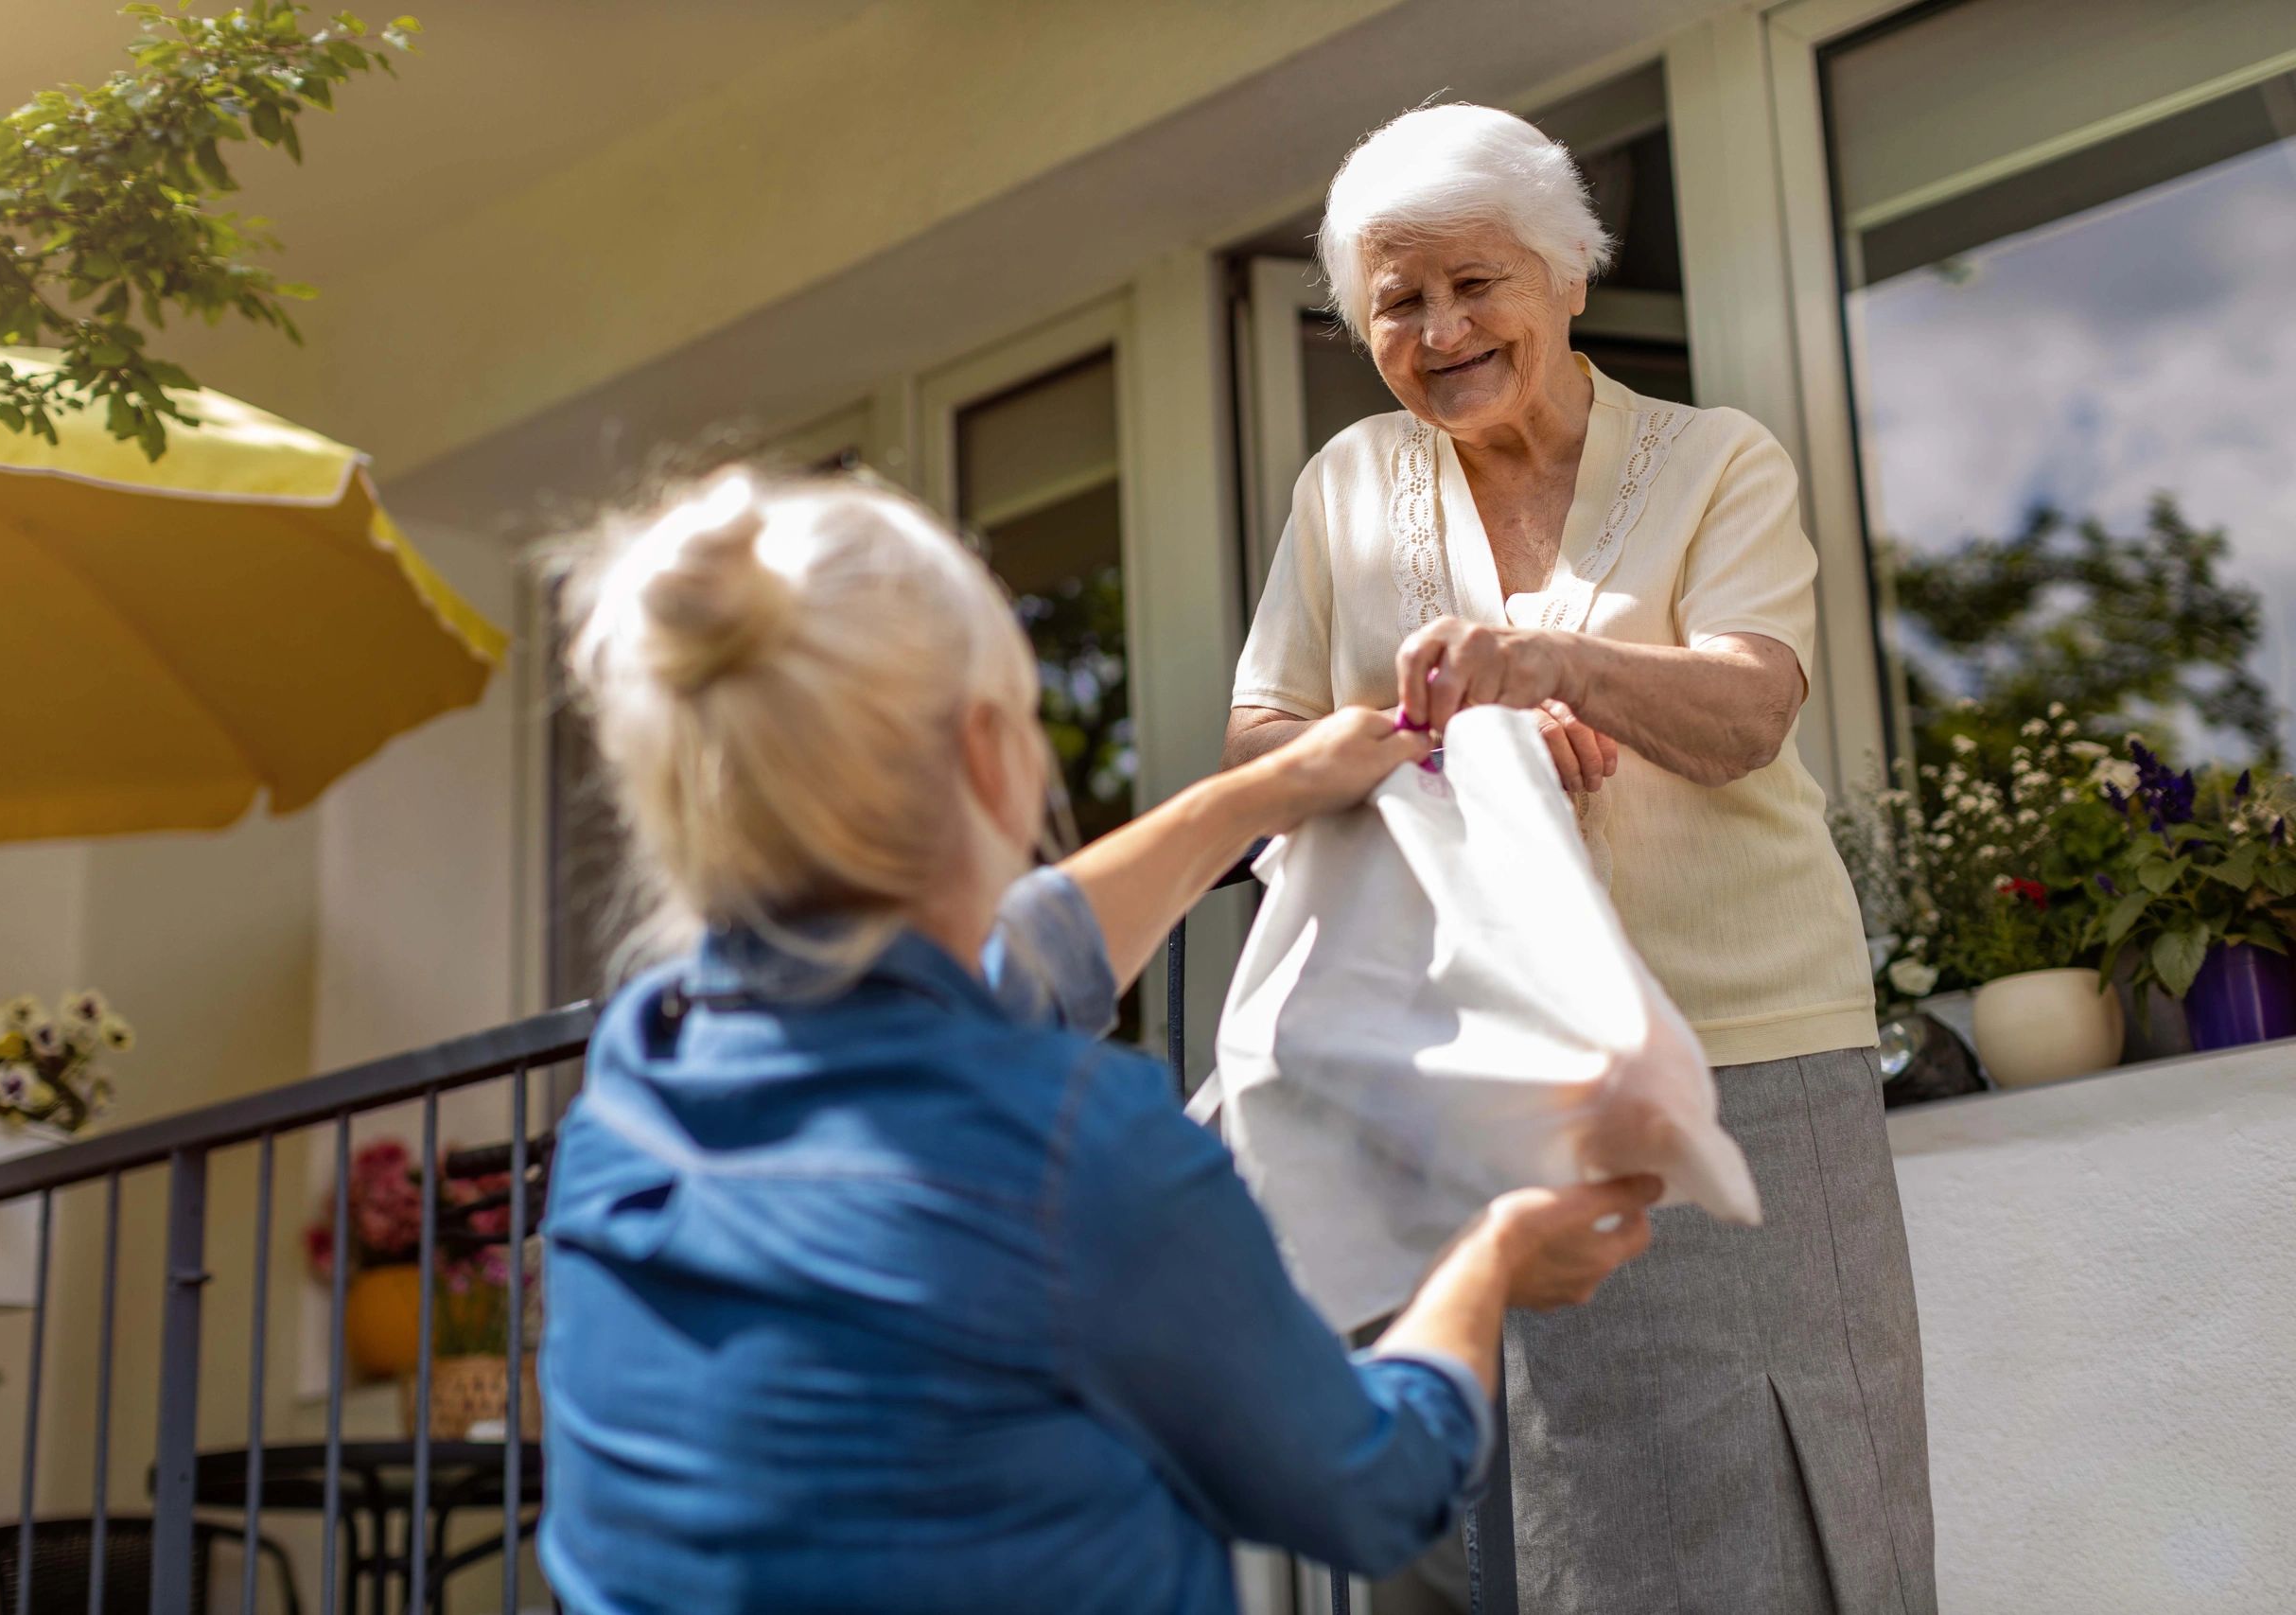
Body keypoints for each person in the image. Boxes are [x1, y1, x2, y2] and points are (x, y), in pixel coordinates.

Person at [537, 466, 1661, 1615]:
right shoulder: (1070, 1144)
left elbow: (1000, 971)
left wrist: (1266, 791)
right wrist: (1485, 1258)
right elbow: (1367, 1488)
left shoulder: (638, 1069)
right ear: (989, 754)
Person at [1226, 103, 1935, 1615]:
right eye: (1396, 303)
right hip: (1451, 1070)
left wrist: (1554, 667)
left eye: (1475, 283)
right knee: (1526, 1528)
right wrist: (1444, 742)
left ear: (1565, 278)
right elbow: (1257, 754)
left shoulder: (1713, 461)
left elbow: (1749, 708)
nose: (1439, 329)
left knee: (1785, 1490)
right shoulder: (1347, 486)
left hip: (1745, 1046)